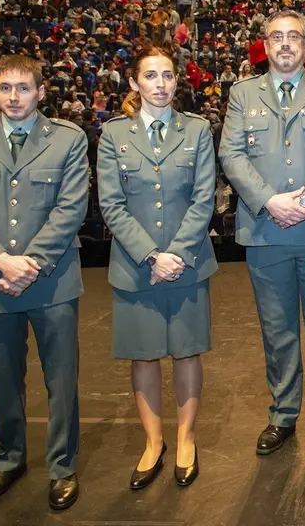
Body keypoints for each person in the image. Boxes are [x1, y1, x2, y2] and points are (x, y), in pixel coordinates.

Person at [0, 55, 89, 510]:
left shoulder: (68, 139)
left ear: (41, 92)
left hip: (51, 281)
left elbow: (71, 209)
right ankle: (9, 460)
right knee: (2, 381)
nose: (13, 97)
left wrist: (28, 264)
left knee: (61, 381)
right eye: (5, 88)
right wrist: (1, 261)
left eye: (23, 88)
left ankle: (62, 467)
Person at [219, 9, 305, 459]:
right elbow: (232, 156)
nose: (285, 44)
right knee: (277, 331)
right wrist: (269, 201)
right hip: (265, 230)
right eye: (276, 36)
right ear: (265, 44)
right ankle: (282, 414)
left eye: (293, 37)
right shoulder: (242, 94)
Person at [97, 44, 218, 491]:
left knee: (187, 350)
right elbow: (110, 203)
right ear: (134, 82)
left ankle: (185, 440)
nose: (161, 84)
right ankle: (154, 443)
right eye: (151, 76)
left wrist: (176, 255)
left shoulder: (199, 130)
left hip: (187, 264)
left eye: (168, 75)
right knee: (143, 354)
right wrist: (152, 255)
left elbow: (204, 198)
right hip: (135, 265)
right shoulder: (113, 135)